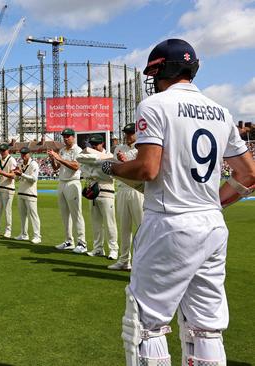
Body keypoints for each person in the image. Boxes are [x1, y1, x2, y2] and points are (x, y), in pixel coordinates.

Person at [99, 39, 255, 366]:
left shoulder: (155, 105)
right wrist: (215, 203)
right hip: (211, 225)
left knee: (146, 325)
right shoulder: (221, 111)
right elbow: (248, 174)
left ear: (161, 70)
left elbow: (147, 168)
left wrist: (109, 167)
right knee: (206, 327)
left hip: (170, 222)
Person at [108, 123, 142, 271]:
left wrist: (126, 162)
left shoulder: (142, 148)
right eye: (126, 133)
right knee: (124, 228)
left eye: (131, 133)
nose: (128, 136)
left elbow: (142, 169)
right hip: (121, 189)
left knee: (141, 228)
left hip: (138, 190)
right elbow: (115, 169)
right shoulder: (118, 148)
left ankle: (142, 262)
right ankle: (124, 260)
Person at [48, 128, 87, 253]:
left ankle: (82, 243)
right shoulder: (62, 150)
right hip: (62, 182)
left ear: (73, 137)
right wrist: (52, 159)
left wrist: (58, 158)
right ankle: (69, 241)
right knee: (65, 215)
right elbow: (55, 168)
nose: (65, 138)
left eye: (68, 136)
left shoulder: (78, 150)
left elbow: (76, 166)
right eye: (64, 136)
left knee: (76, 214)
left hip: (73, 182)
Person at [83, 134, 118, 259]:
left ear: (102, 144)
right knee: (96, 223)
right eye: (92, 144)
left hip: (106, 191)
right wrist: (95, 171)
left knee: (110, 223)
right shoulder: (89, 157)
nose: (94, 146)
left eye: (96, 144)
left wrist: (95, 171)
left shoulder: (109, 156)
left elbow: (109, 176)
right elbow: (85, 172)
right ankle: (98, 248)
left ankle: (113, 249)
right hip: (93, 191)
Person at [12, 146, 41, 244]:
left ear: (29, 154)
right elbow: (16, 180)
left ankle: (37, 236)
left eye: (25, 154)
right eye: (22, 154)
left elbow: (33, 179)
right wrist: (16, 174)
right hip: (21, 192)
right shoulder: (20, 164)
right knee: (22, 215)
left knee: (33, 215)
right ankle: (24, 234)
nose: (23, 156)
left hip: (30, 194)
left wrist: (22, 174)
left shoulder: (34, 164)